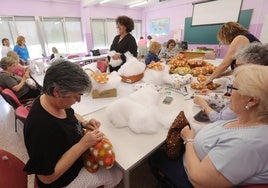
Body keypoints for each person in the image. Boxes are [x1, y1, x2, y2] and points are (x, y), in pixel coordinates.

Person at [149, 64, 268, 187]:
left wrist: (189, 141)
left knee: (154, 156)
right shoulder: (248, 119)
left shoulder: (245, 145)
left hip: (189, 175)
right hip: (197, 151)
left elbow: (198, 180)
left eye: (233, 88)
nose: (228, 93)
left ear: (252, 101)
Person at [23, 60, 123, 188]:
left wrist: (84, 123)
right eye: (76, 96)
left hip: (76, 160)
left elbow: (69, 116)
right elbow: (46, 178)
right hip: (63, 181)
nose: (79, 100)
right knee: (117, 173)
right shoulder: (40, 128)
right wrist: (82, 145)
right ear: (57, 92)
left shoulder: (51, 100)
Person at [194, 42, 268, 122]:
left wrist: (203, 103)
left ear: (250, 66)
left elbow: (219, 119)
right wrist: (214, 94)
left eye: (239, 66)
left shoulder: (250, 90)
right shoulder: (256, 85)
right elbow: (232, 100)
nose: (235, 70)